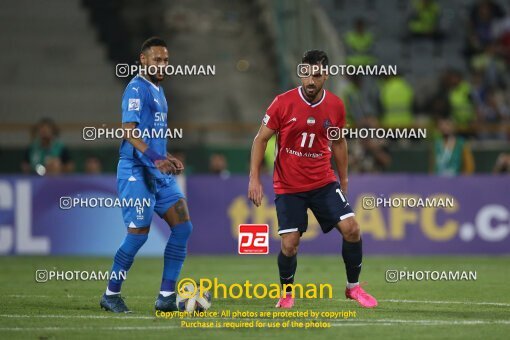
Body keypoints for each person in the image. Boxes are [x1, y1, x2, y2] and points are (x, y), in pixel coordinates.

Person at [248, 50, 378, 309]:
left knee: (352, 229)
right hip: (289, 186)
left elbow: (339, 142)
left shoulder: (336, 106)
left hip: (323, 181)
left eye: (316, 75)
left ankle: (354, 288)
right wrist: (254, 178)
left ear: (325, 76)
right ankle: (286, 294)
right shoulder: (282, 103)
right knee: (290, 245)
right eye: (305, 74)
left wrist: (344, 178)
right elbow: (261, 139)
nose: (310, 81)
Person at [100, 37, 193, 313]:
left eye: (166, 60)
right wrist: (155, 158)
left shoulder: (158, 90)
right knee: (138, 235)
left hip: (158, 172)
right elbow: (129, 132)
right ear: (143, 60)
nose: (163, 64)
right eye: (157, 59)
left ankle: (165, 297)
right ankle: (111, 294)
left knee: (183, 226)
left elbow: (152, 134)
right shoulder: (136, 89)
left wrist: (166, 155)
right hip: (135, 171)